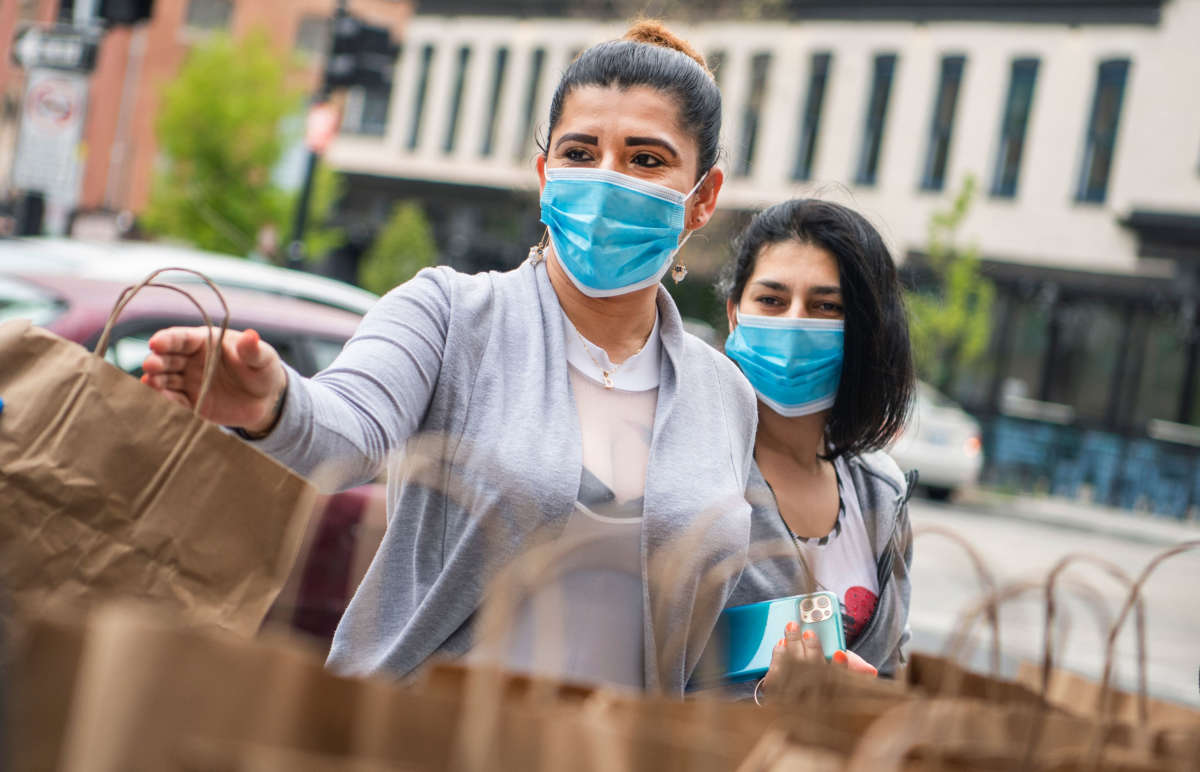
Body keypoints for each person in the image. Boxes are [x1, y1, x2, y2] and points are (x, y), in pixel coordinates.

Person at [140, 22, 757, 695]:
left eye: (646, 159)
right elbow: (346, 432)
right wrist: (274, 404)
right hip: (415, 740)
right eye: (581, 153)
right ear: (546, 175)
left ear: (703, 197)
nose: (607, 179)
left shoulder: (724, 394)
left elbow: (722, 625)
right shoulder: (449, 313)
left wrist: (798, 663)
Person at [716, 198, 916, 691]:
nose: (794, 323)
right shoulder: (693, 463)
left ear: (866, 331)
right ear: (733, 314)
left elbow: (892, 671)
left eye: (826, 306)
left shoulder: (881, 492)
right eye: (772, 300)